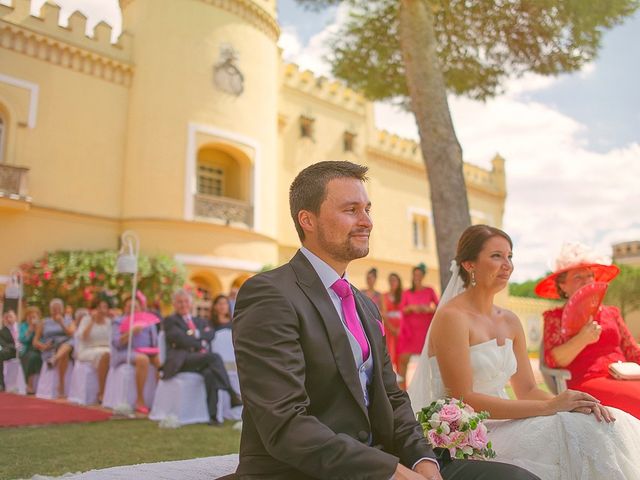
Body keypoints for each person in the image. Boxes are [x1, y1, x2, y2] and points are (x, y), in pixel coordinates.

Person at [230, 161, 537, 480]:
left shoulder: (363, 304)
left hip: (389, 458)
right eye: (351, 210)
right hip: (306, 470)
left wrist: (423, 462)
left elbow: (392, 397)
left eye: (367, 209)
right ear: (307, 219)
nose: (366, 222)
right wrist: (390, 472)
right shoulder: (270, 294)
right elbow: (284, 422)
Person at [408, 224, 640, 479]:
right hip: (472, 429)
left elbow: (527, 389)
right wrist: (551, 406)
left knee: (602, 424)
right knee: (578, 435)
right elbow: (465, 398)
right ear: (469, 264)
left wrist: (570, 403)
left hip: (510, 419)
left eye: (510, 256)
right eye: (496, 256)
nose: (507, 264)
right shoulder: (452, 317)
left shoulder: (510, 320)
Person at [536, 242, 640, 418]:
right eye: (578, 277)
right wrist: (582, 339)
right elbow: (552, 361)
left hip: (625, 376)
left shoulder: (611, 313)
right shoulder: (555, 317)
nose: (586, 281)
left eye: (590, 275)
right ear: (563, 286)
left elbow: (633, 351)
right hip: (587, 382)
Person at [163, 289, 242, 426]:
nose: (183, 305)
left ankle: (213, 417)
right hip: (182, 360)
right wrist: (200, 342)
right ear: (174, 304)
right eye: (180, 302)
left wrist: (197, 335)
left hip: (200, 361)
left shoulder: (199, 321)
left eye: (186, 301)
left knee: (211, 373)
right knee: (214, 357)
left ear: (191, 303)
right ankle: (231, 393)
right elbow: (181, 339)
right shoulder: (170, 321)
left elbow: (210, 334)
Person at [111, 295, 160, 414]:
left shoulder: (148, 322)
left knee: (160, 360)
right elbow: (117, 343)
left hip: (148, 351)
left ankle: (159, 398)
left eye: (135, 307)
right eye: (129, 306)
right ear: (125, 308)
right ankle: (140, 399)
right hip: (126, 352)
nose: (133, 309)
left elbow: (155, 342)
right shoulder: (118, 322)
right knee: (143, 360)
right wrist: (131, 332)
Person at [396, 263, 439, 388]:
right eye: (415, 275)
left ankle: (429, 388)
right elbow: (402, 309)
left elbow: (438, 306)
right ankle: (402, 390)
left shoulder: (429, 290)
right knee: (404, 359)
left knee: (429, 360)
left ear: (423, 276)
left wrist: (428, 309)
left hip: (425, 329)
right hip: (410, 330)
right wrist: (411, 308)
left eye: (419, 275)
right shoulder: (407, 292)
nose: (417, 277)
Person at [34, 298, 75, 398]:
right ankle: (61, 386)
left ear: (62, 309)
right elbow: (35, 341)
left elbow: (71, 333)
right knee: (63, 352)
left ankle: (55, 360)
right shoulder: (44, 322)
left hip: (66, 345)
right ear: (50, 309)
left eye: (58, 308)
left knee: (67, 345)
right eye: (54, 308)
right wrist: (44, 346)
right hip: (51, 347)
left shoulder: (68, 320)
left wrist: (61, 323)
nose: (56, 310)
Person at [76, 296, 112, 403]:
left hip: (106, 348)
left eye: (105, 307)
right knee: (104, 355)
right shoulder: (86, 320)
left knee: (109, 354)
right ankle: (101, 392)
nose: (102, 310)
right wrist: (92, 321)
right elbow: (83, 337)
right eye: (100, 307)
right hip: (88, 349)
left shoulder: (109, 322)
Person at [19, 306, 43, 394]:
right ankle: (29, 385)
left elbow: (43, 340)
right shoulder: (23, 326)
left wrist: (37, 330)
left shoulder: (41, 326)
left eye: (34, 317)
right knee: (31, 358)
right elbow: (22, 339)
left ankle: (34, 385)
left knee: (35, 357)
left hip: (39, 350)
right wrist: (29, 330)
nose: (32, 319)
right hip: (26, 349)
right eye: (30, 317)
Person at [383, 272, 404, 370]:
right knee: (390, 354)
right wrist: (392, 329)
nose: (392, 282)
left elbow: (404, 313)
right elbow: (384, 313)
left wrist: (399, 329)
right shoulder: (384, 296)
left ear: (398, 282)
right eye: (390, 280)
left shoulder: (403, 295)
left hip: (402, 329)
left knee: (401, 356)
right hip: (389, 329)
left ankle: (402, 383)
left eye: (394, 280)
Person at [0, 310, 18, 392]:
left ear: (15, 317)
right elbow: (4, 344)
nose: (8, 319)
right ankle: (1, 383)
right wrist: (15, 346)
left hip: (24, 350)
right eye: (6, 317)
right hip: (11, 352)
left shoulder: (21, 327)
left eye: (10, 316)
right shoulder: (3, 331)